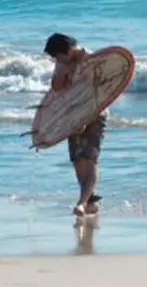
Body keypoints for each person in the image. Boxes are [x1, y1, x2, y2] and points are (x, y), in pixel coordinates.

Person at [43, 33, 106, 217]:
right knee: (78, 159)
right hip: (72, 114)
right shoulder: (62, 65)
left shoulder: (92, 60)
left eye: (57, 56)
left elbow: (103, 92)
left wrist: (86, 120)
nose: (56, 59)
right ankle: (89, 201)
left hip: (96, 112)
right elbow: (56, 89)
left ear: (68, 49)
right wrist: (61, 70)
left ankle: (82, 202)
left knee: (90, 157)